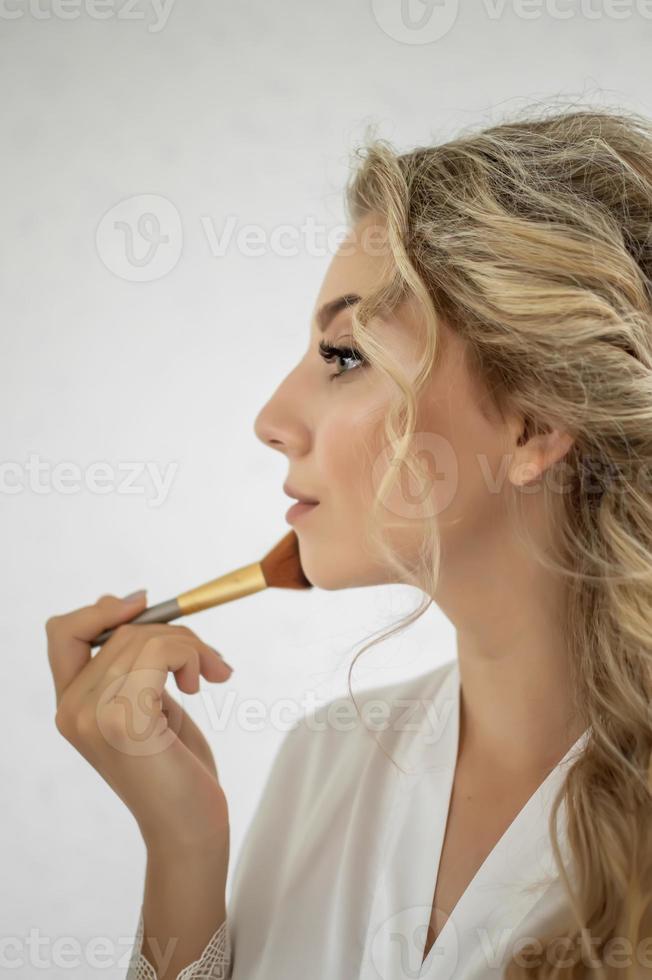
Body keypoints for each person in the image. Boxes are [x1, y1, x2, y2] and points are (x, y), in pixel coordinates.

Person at [46, 105, 652, 980]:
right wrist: (182, 849)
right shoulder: (328, 763)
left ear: (536, 421)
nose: (270, 421)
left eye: (344, 354)